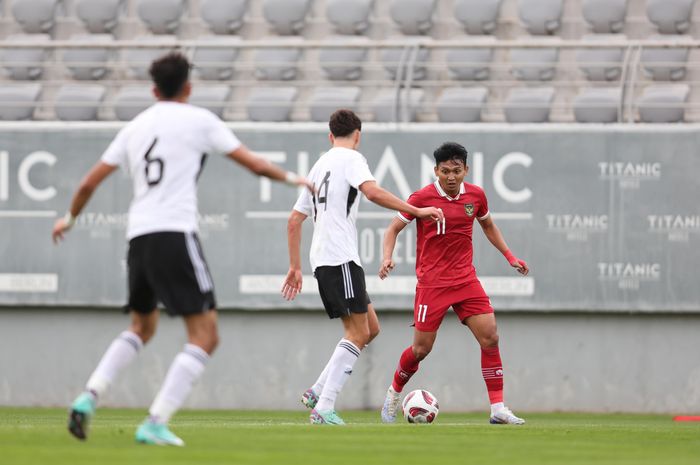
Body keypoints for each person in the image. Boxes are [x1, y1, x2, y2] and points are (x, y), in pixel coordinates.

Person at [53, 52, 314, 446]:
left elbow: (89, 183)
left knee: (142, 327)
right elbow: (255, 165)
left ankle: (89, 395)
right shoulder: (199, 120)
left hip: (138, 238)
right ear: (188, 87)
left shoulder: (135, 127)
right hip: (174, 233)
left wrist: (69, 219)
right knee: (205, 335)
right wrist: (296, 179)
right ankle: (155, 421)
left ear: (154, 89)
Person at [282, 109, 444, 425]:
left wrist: (294, 267)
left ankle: (317, 391)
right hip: (339, 257)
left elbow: (294, 220)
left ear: (331, 136)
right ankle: (324, 408)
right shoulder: (352, 158)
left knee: (370, 328)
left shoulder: (319, 165)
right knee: (357, 332)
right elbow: (372, 191)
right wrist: (416, 210)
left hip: (325, 259)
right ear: (358, 135)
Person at [378, 142, 529, 425]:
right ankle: (393, 393)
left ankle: (498, 408)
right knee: (421, 350)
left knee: (490, 336)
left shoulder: (476, 196)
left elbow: (488, 225)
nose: (450, 177)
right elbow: (392, 229)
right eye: (444, 171)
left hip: (465, 280)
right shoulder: (421, 198)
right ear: (435, 170)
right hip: (432, 284)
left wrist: (510, 256)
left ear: (465, 170)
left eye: (456, 171)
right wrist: (387, 257)